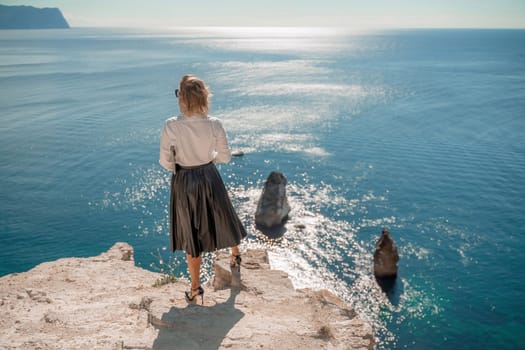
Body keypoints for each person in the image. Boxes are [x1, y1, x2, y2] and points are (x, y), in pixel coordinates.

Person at [159, 74, 247, 304]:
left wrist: (183, 166)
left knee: (191, 233)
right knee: (223, 215)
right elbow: (225, 157)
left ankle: (196, 287)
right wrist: (208, 161)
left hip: (184, 181)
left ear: (182, 98)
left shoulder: (171, 125)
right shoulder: (214, 124)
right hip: (209, 175)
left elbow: (165, 161)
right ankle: (236, 256)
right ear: (204, 98)